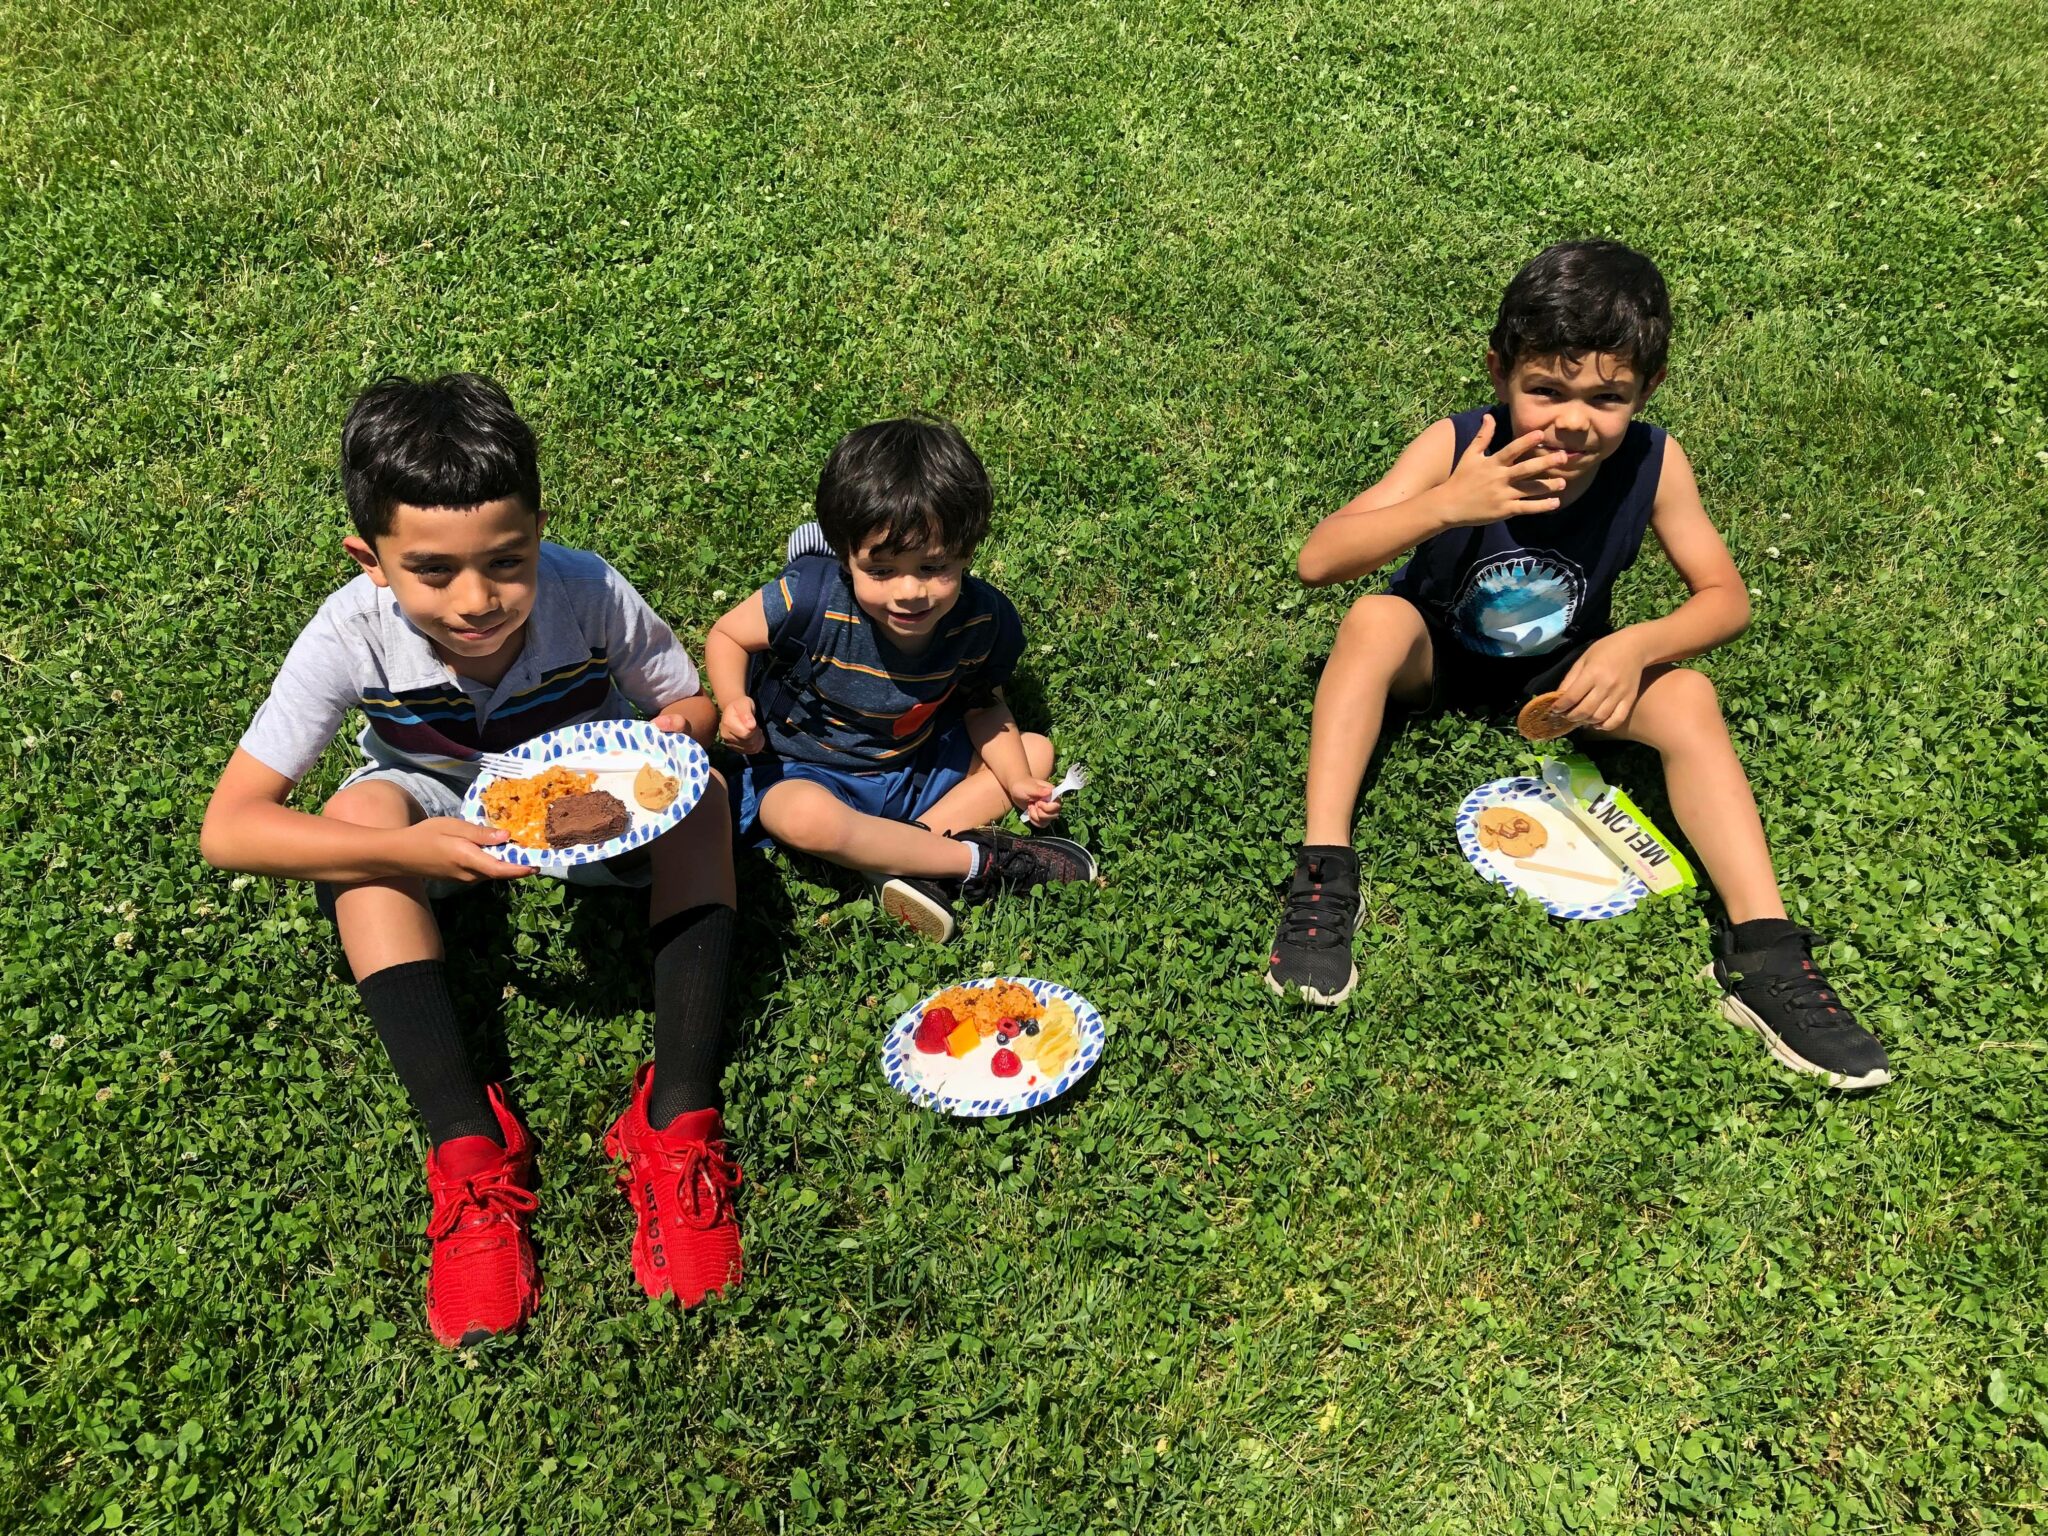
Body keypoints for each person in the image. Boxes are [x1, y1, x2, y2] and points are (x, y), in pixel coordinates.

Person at [200, 373, 745, 1348]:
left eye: (506, 560)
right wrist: (400, 844)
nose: (478, 599)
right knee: (358, 812)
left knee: (702, 795)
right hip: (438, 816)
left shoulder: (584, 589)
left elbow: (689, 704)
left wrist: (678, 729)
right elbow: (230, 826)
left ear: (540, 529)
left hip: (593, 803)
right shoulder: (348, 630)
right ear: (370, 560)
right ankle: (468, 1148)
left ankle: (677, 1122)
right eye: (434, 571)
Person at [1266, 241, 1890, 1090]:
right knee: (1373, 619)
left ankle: (1764, 949)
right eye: (1546, 391)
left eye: (1607, 398)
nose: (1573, 422)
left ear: (1647, 391)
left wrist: (1637, 645)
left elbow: (1724, 598)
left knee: (1690, 696)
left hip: (1561, 676)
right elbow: (1319, 558)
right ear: (1500, 373)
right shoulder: (1461, 446)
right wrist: (1448, 503)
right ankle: (1323, 868)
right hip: (1433, 658)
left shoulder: (1653, 462)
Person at [705, 417, 1095, 943]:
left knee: (1033, 751)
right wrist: (732, 703)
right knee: (795, 815)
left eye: (935, 567)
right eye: (882, 570)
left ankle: (902, 855)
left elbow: (983, 706)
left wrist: (1020, 781)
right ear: (845, 553)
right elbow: (727, 636)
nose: (910, 592)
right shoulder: (810, 598)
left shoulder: (981, 620)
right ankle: (972, 860)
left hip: (911, 766)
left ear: (968, 551)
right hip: (809, 771)